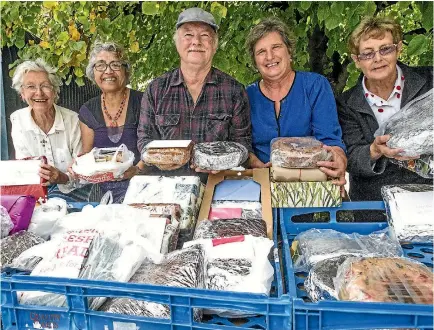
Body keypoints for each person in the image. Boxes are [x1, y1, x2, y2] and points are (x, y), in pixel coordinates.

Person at [137, 7, 252, 176]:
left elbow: (243, 144)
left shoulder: (234, 90)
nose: (196, 41)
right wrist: (158, 159)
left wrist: (222, 164)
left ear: (214, 45)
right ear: (177, 43)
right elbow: (145, 140)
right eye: (188, 35)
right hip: (167, 187)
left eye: (205, 36)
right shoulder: (156, 89)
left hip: (217, 186)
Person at [337, 17, 433, 201]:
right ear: (356, 60)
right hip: (374, 204)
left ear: (398, 48)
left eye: (385, 49)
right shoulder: (346, 103)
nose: (378, 59)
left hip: (428, 197)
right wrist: (374, 150)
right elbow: (350, 157)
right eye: (368, 53)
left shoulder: (430, 81)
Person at [245, 18, 347, 188]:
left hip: (308, 186)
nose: (269, 56)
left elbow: (330, 140)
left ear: (289, 51)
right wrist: (255, 163)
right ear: (255, 62)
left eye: (276, 47)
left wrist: (339, 160)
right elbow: (241, 142)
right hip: (260, 186)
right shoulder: (247, 96)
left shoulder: (315, 86)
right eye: (261, 51)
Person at [10, 59, 91, 202]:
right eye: (31, 86)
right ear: (22, 93)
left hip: (76, 193)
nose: (39, 93)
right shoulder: (18, 120)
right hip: (37, 195)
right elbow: (24, 168)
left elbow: (84, 171)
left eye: (45, 86)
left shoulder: (73, 120)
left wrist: (63, 177)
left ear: (54, 91)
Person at [79, 41, 145, 203]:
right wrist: (79, 166)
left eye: (115, 64)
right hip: (103, 193)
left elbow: (153, 149)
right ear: (93, 73)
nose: (108, 71)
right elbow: (88, 155)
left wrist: (137, 170)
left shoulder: (144, 102)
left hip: (141, 187)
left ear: (126, 71)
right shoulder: (88, 110)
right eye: (100, 65)